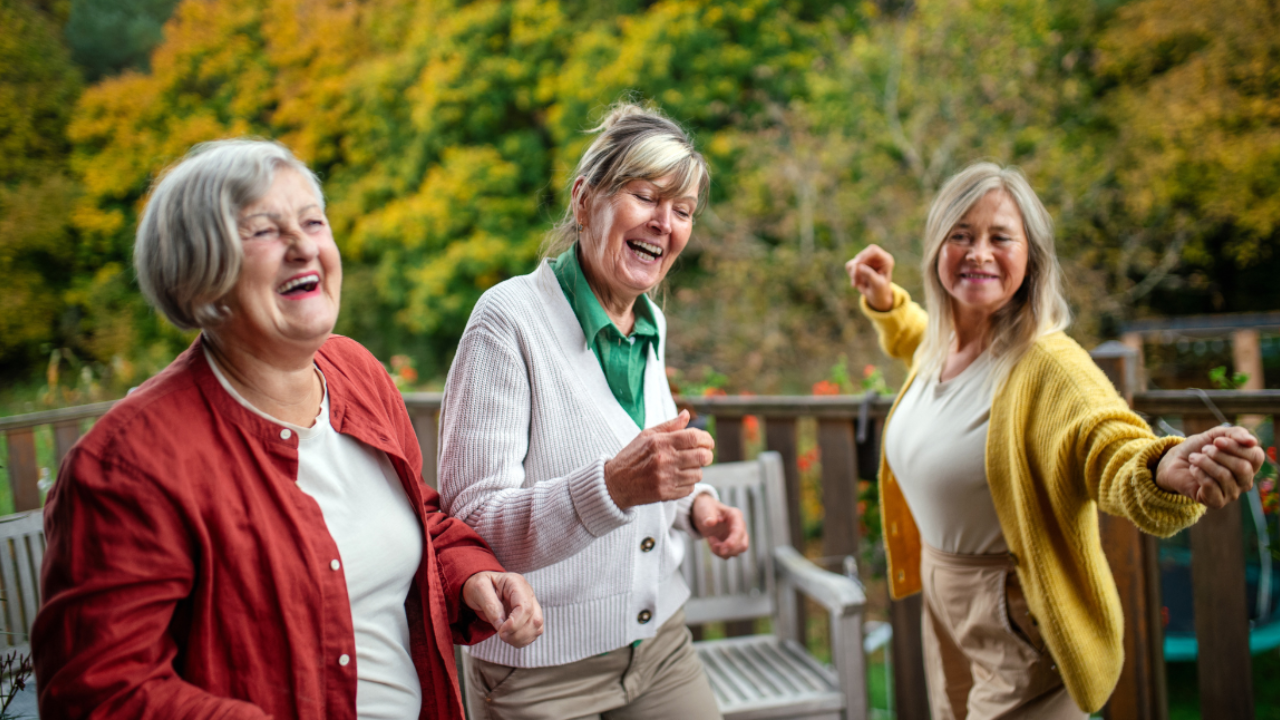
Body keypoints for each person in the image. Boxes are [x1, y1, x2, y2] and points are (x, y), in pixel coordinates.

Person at [33, 139, 543, 720]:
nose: (304, 246)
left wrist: (471, 575)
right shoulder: (129, 463)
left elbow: (418, 517)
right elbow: (97, 693)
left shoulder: (358, 373)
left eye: (313, 221)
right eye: (263, 231)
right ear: (198, 277)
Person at [844, 162, 1264, 718]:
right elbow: (916, 338)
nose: (978, 252)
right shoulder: (943, 346)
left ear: (1032, 257)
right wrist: (886, 303)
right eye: (960, 236)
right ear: (936, 249)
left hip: (1016, 610)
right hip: (943, 602)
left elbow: (1106, 443)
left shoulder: (1049, 364)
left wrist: (1160, 468)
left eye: (1000, 237)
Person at [438, 102, 749, 720]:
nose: (665, 223)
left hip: (659, 645)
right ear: (585, 200)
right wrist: (610, 487)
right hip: (543, 670)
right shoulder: (507, 322)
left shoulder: (649, 323)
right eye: (646, 197)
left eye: (683, 211)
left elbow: (646, 465)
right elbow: (473, 522)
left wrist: (698, 506)